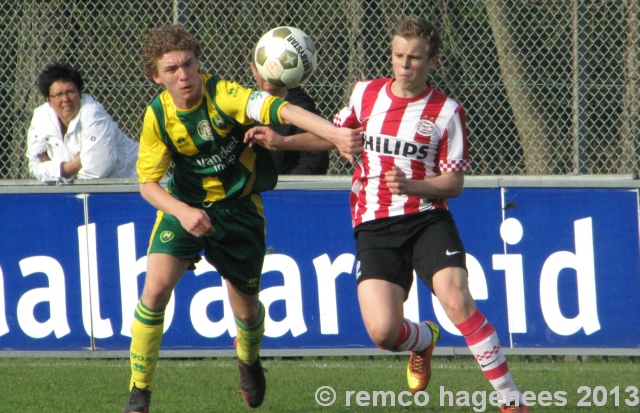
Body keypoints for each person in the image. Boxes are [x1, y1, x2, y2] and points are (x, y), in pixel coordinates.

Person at [245, 16, 529, 413]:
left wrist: (414, 186)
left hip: (428, 218)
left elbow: (454, 184)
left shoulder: (447, 113)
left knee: (456, 298)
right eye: (398, 56)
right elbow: (335, 135)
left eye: (414, 58)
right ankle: (424, 340)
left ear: (432, 61)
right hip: (374, 225)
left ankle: (511, 400)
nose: (404, 65)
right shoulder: (366, 94)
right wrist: (282, 140)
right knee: (383, 331)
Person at [122, 24, 361, 413]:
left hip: (240, 211)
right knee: (155, 290)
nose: (183, 76)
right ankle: (139, 394)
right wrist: (182, 212)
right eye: (171, 70)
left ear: (199, 63)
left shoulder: (224, 95)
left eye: (189, 64)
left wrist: (335, 134)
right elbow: (148, 185)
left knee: (246, 309)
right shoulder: (157, 117)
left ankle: (249, 361)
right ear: (156, 76)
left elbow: (280, 108)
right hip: (185, 207)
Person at [26, 62, 138, 183]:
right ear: (48, 99)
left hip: (136, 180)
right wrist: (71, 166)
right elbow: (35, 166)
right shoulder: (40, 117)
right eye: (59, 94)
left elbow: (98, 170)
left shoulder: (94, 114)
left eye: (70, 92)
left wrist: (57, 171)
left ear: (79, 93)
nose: (65, 99)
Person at [249, 61, 329, 175]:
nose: (268, 73)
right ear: (253, 68)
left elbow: (315, 160)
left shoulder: (302, 109)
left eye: (271, 66)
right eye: (263, 67)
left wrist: (286, 187)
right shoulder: (246, 107)